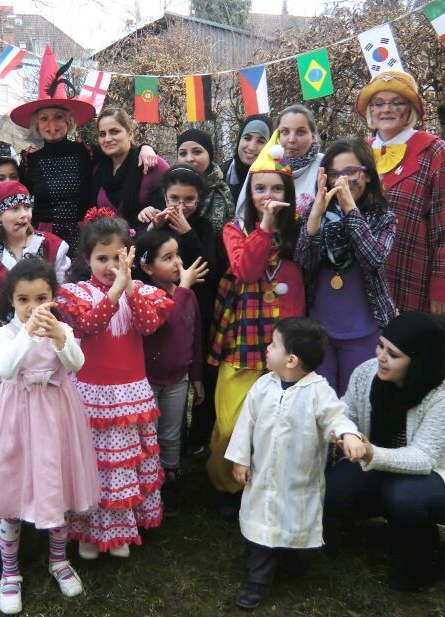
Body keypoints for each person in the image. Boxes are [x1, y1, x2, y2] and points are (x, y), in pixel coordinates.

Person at [324, 312, 445, 591]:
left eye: (393, 354)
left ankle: (429, 560)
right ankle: (396, 529)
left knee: (405, 497)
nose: (381, 357)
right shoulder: (367, 373)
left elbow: (424, 459)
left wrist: (371, 454)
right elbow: (341, 411)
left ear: (420, 360)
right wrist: (347, 432)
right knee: (335, 492)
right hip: (386, 465)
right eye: (381, 345)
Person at [0, 258, 100, 615]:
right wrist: (27, 332)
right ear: (12, 302)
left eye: (41, 299)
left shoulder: (60, 329)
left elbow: (77, 364)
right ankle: (9, 572)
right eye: (23, 300)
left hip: (55, 416)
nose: (33, 308)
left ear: (53, 297)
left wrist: (60, 337)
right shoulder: (6, 333)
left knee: (57, 482)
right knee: (12, 484)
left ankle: (59, 559)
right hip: (18, 417)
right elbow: (5, 369)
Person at [56, 209, 173, 558]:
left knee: (122, 464)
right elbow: (89, 327)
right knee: (92, 463)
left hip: (129, 392)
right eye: (101, 258)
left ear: (129, 256)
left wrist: (128, 289)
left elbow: (149, 325)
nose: (109, 266)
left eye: (116, 257)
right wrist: (114, 292)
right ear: (87, 259)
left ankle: (120, 530)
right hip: (91, 391)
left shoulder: (142, 292)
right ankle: (89, 533)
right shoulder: (75, 293)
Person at [226, 317, 365, 609]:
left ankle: (294, 563)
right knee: (261, 530)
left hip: (298, 481)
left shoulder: (318, 392)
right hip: (263, 477)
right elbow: (245, 424)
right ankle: (257, 581)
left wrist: (348, 434)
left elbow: (335, 416)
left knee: (295, 526)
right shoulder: (263, 386)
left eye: (273, 345)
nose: (267, 348)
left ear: (291, 359)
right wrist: (240, 459)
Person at [207, 132, 305, 518]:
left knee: (275, 426)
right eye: (259, 186)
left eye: (276, 187)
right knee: (231, 424)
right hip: (243, 340)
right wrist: (263, 225)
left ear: (288, 190)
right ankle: (224, 484)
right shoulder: (236, 229)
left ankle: (261, 488)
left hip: (285, 341)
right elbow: (246, 269)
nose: (268, 194)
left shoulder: (298, 230)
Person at [12, 46, 156, 253]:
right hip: (45, 239)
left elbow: (119, 150)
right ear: (36, 123)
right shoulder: (29, 160)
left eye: (58, 117)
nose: (51, 125)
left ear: (69, 121)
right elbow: (18, 202)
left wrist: (145, 147)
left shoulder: (87, 151)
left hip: (85, 236)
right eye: (44, 118)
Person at [355, 70, 445, 318]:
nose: (386, 110)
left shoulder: (435, 152)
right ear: (370, 111)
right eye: (378, 103)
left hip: (412, 285)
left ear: (411, 110)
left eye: (397, 103)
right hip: (359, 287)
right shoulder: (358, 153)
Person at [295, 139, 397, 396]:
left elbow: (374, 258)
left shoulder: (384, 218)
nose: (342, 180)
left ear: (368, 175)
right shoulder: (316, 211)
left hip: (364, 328)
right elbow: (303, 261)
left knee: (358, 400)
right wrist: (315, 217)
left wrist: (350, 208)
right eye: (335, 174)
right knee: (322, 400)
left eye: (351, 172)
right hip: (320, 328)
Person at [138, 165, 220, 456]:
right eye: (175, 199)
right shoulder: (157, 223)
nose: (182, 206)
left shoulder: (205, 227)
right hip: (157, 309)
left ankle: (182, 447)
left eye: (190, 200)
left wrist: (188, 232)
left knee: (189, 367)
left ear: (200, 199)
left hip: (196, 307)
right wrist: (151, 228)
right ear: (164, 195)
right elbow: (139, 260)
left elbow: (209, 269)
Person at [135, 229, 207, 516]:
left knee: (171, 434)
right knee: (147, 435)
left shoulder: (187, 296)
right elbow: (170, 321)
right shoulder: (145, 294)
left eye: (178, 254)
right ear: (147, 267)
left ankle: (170, 481)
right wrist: (186, 287)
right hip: (149, 379)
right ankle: (146, 489)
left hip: (179, 378)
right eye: (168, 258)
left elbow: (193, 335)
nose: (178, 262)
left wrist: (197, 376)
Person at [0, 182, 70, 329]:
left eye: (27, 207)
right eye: (15, 209)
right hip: (6, 337)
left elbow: (65, 297)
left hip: (46, 331)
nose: (24, 215)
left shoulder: (52, 246)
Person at [90, 107, 169, 228]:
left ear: (130, 134)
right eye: (102, 134)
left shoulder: (153, 164)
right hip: (108, 243)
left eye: (114, 132)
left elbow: (172, 205)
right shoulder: (97, 169)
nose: (107, 139)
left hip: (147, 241)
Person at [176, 128, 234, 236]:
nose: (189, 159)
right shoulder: (168, 188)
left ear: (209, 155)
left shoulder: (225, 191)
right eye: (183, 153)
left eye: (197, 152)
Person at [276, 105, 323, 216]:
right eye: (285, 132)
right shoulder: (264, 166)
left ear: (313, 136)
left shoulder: (325, 164)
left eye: (300, 132)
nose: (291, 140)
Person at [220, 114, 273, 202]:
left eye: (260, 141)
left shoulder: (277, 179)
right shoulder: (220, 176)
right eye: (247, 138)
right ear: (239, 140)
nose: (252, 147)